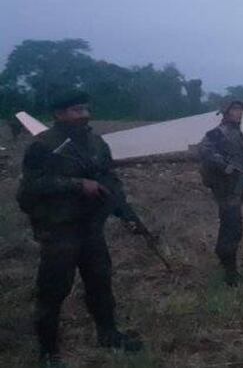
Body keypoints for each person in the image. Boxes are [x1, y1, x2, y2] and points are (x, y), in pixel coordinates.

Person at [16, 90, 143, 368]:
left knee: (100, 282)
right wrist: (77, 185)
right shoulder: (44, 145)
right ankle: (48, 352)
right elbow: (30, 188)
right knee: (53, 291)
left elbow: (109, 177)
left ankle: (108, 334)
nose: (84, 115)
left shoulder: (96, 143)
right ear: (59, 114)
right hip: (59, 229)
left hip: (90, 226)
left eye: (85, 109)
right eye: (76, 110)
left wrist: (123, 209)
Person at [198, 99, 243, 286]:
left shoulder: (237, 133)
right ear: (226, 112)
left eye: (241, 109)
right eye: (235, 109)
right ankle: (230, 272)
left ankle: (225, 260)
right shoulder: (217, 133)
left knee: (231, 227)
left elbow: (242, 158)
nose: (239, 112)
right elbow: (203, 150)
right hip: (225, 188)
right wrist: (225, 165)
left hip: (235, 187)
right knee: (232, 228)